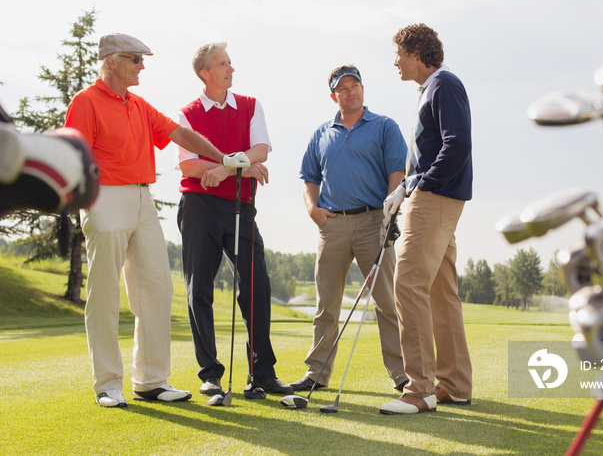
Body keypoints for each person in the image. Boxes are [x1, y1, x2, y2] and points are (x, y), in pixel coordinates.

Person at [65, 33, 245, 408]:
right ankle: (108, 384)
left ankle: (150, 380)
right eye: (135, 59)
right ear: (113, 61)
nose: (142, 66)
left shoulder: (138, 105)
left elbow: (179, 133)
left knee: (157, 289)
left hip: (142, 199)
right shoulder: (86, 101)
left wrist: (223, 157)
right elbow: (74, 155)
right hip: (104, 197)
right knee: (105, 294)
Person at [176, 42, 292, 397]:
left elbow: (261, 151)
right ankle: (210, 373)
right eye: (223, 64)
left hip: (240, 206)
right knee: (201, 289)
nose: (231, 69)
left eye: (230, 63)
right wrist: (236, 166)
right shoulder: (188, 114)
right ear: (205, 73)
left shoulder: (250, 106)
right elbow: (189, 165)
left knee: (256, 283)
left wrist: (224, 170)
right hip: (198, 205)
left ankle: (262, 372)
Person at [292, 65, 409, 393]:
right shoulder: (321, 133)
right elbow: (309, 178)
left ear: (362, 88)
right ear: (334, 96)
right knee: (326, 304)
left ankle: (403, 376)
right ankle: (316, 374)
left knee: (387, 302)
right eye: (343, 88)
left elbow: (397, 172)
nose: (350, 91)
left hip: (375, 222)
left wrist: (390, 214)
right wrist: (313, 210)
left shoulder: (384, 126)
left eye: (355, 85)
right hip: (333, 226)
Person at [380, 24, 474, 415]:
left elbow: (457, 144)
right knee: (438, 289)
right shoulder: (432, 89)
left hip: (434, 198)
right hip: (435, 196)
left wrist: (417, 188)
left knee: (408, 284)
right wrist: (405, 187)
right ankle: (454, 384)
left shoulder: (443, 85)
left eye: (398, 54)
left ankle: (418, 390)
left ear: (416, 53)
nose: (395, 61)